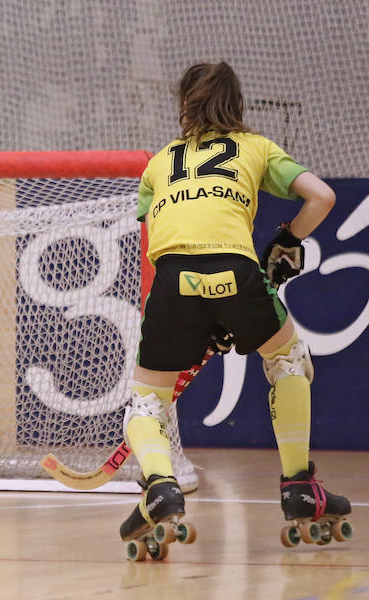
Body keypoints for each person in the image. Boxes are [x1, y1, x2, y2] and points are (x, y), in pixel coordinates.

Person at [121, 61, 349, 545]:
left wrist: (198, 313)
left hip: (171, 279)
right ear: (237, 104)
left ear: (185, 104)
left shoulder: (158, 162)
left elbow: (164, 235)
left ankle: (160, 487)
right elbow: (322, 197)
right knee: (288, 361)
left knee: (146, 400)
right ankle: (300, 488)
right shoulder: (256, 147)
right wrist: (288, 240)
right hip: (238, 270)